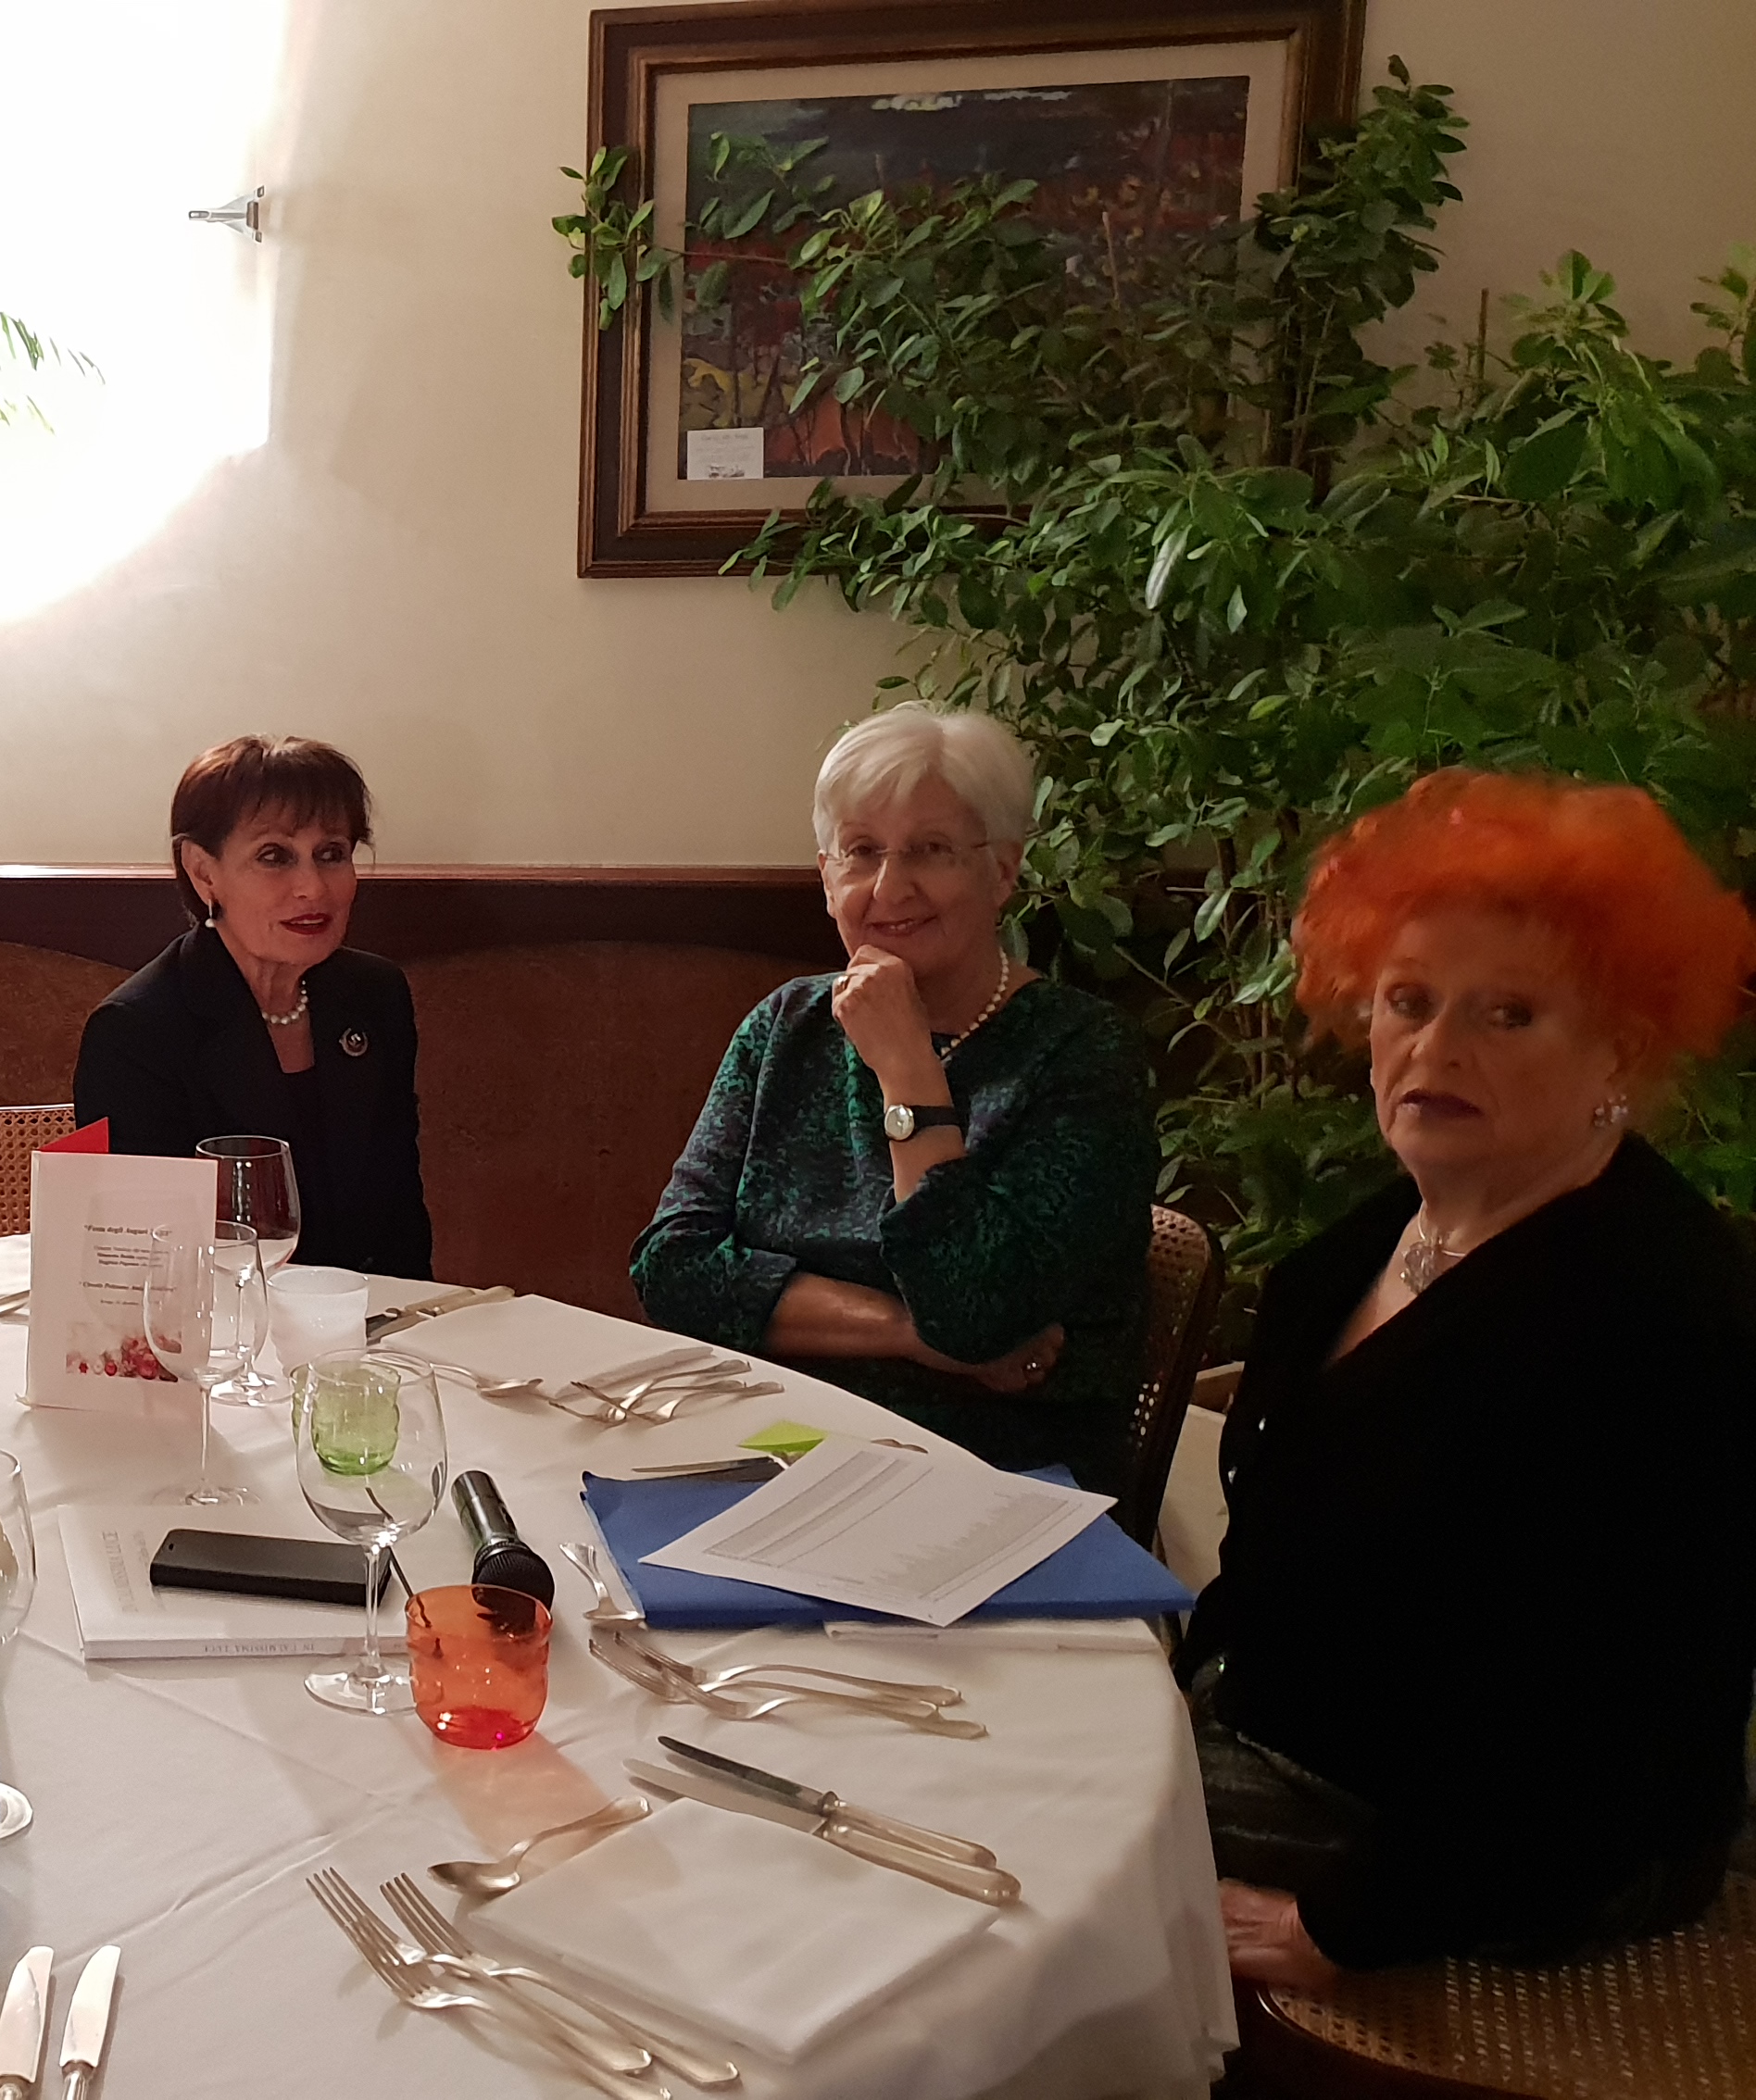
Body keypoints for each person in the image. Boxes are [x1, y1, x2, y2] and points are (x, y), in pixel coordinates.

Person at [1180, 770, 1756, 1985]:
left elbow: (1603, 1731)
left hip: (1470, 1845)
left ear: (1620, 1048)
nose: (1436, 1048)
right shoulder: (1379, 1237)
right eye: (1409, 1000)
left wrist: (1345, 1925)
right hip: (1289, 1740)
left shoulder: (1657, 1316)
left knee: (1002, 1856)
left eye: (1510, 1015)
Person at [633, 703, 1155, 1486]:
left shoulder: (1084, 1055)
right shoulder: (787, 1025)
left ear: (1003, 870)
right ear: (826, 877)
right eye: (862, 852)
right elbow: (671, 1268)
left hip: (996, 1476)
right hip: (774, 1448)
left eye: (931, 850)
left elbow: (974, 1315)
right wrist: (909, 1334)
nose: (889, 887)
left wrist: (909, 1071)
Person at [73, 735, 432, 1279]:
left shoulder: (374, 994)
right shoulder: (138, 1030)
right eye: (274, 857)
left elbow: (400, 1217)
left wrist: (417, 1321)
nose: (312, 888)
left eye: (331, 854)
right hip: (224, 1320)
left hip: (366, 1317)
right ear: (203, 871)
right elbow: (150, 1266)